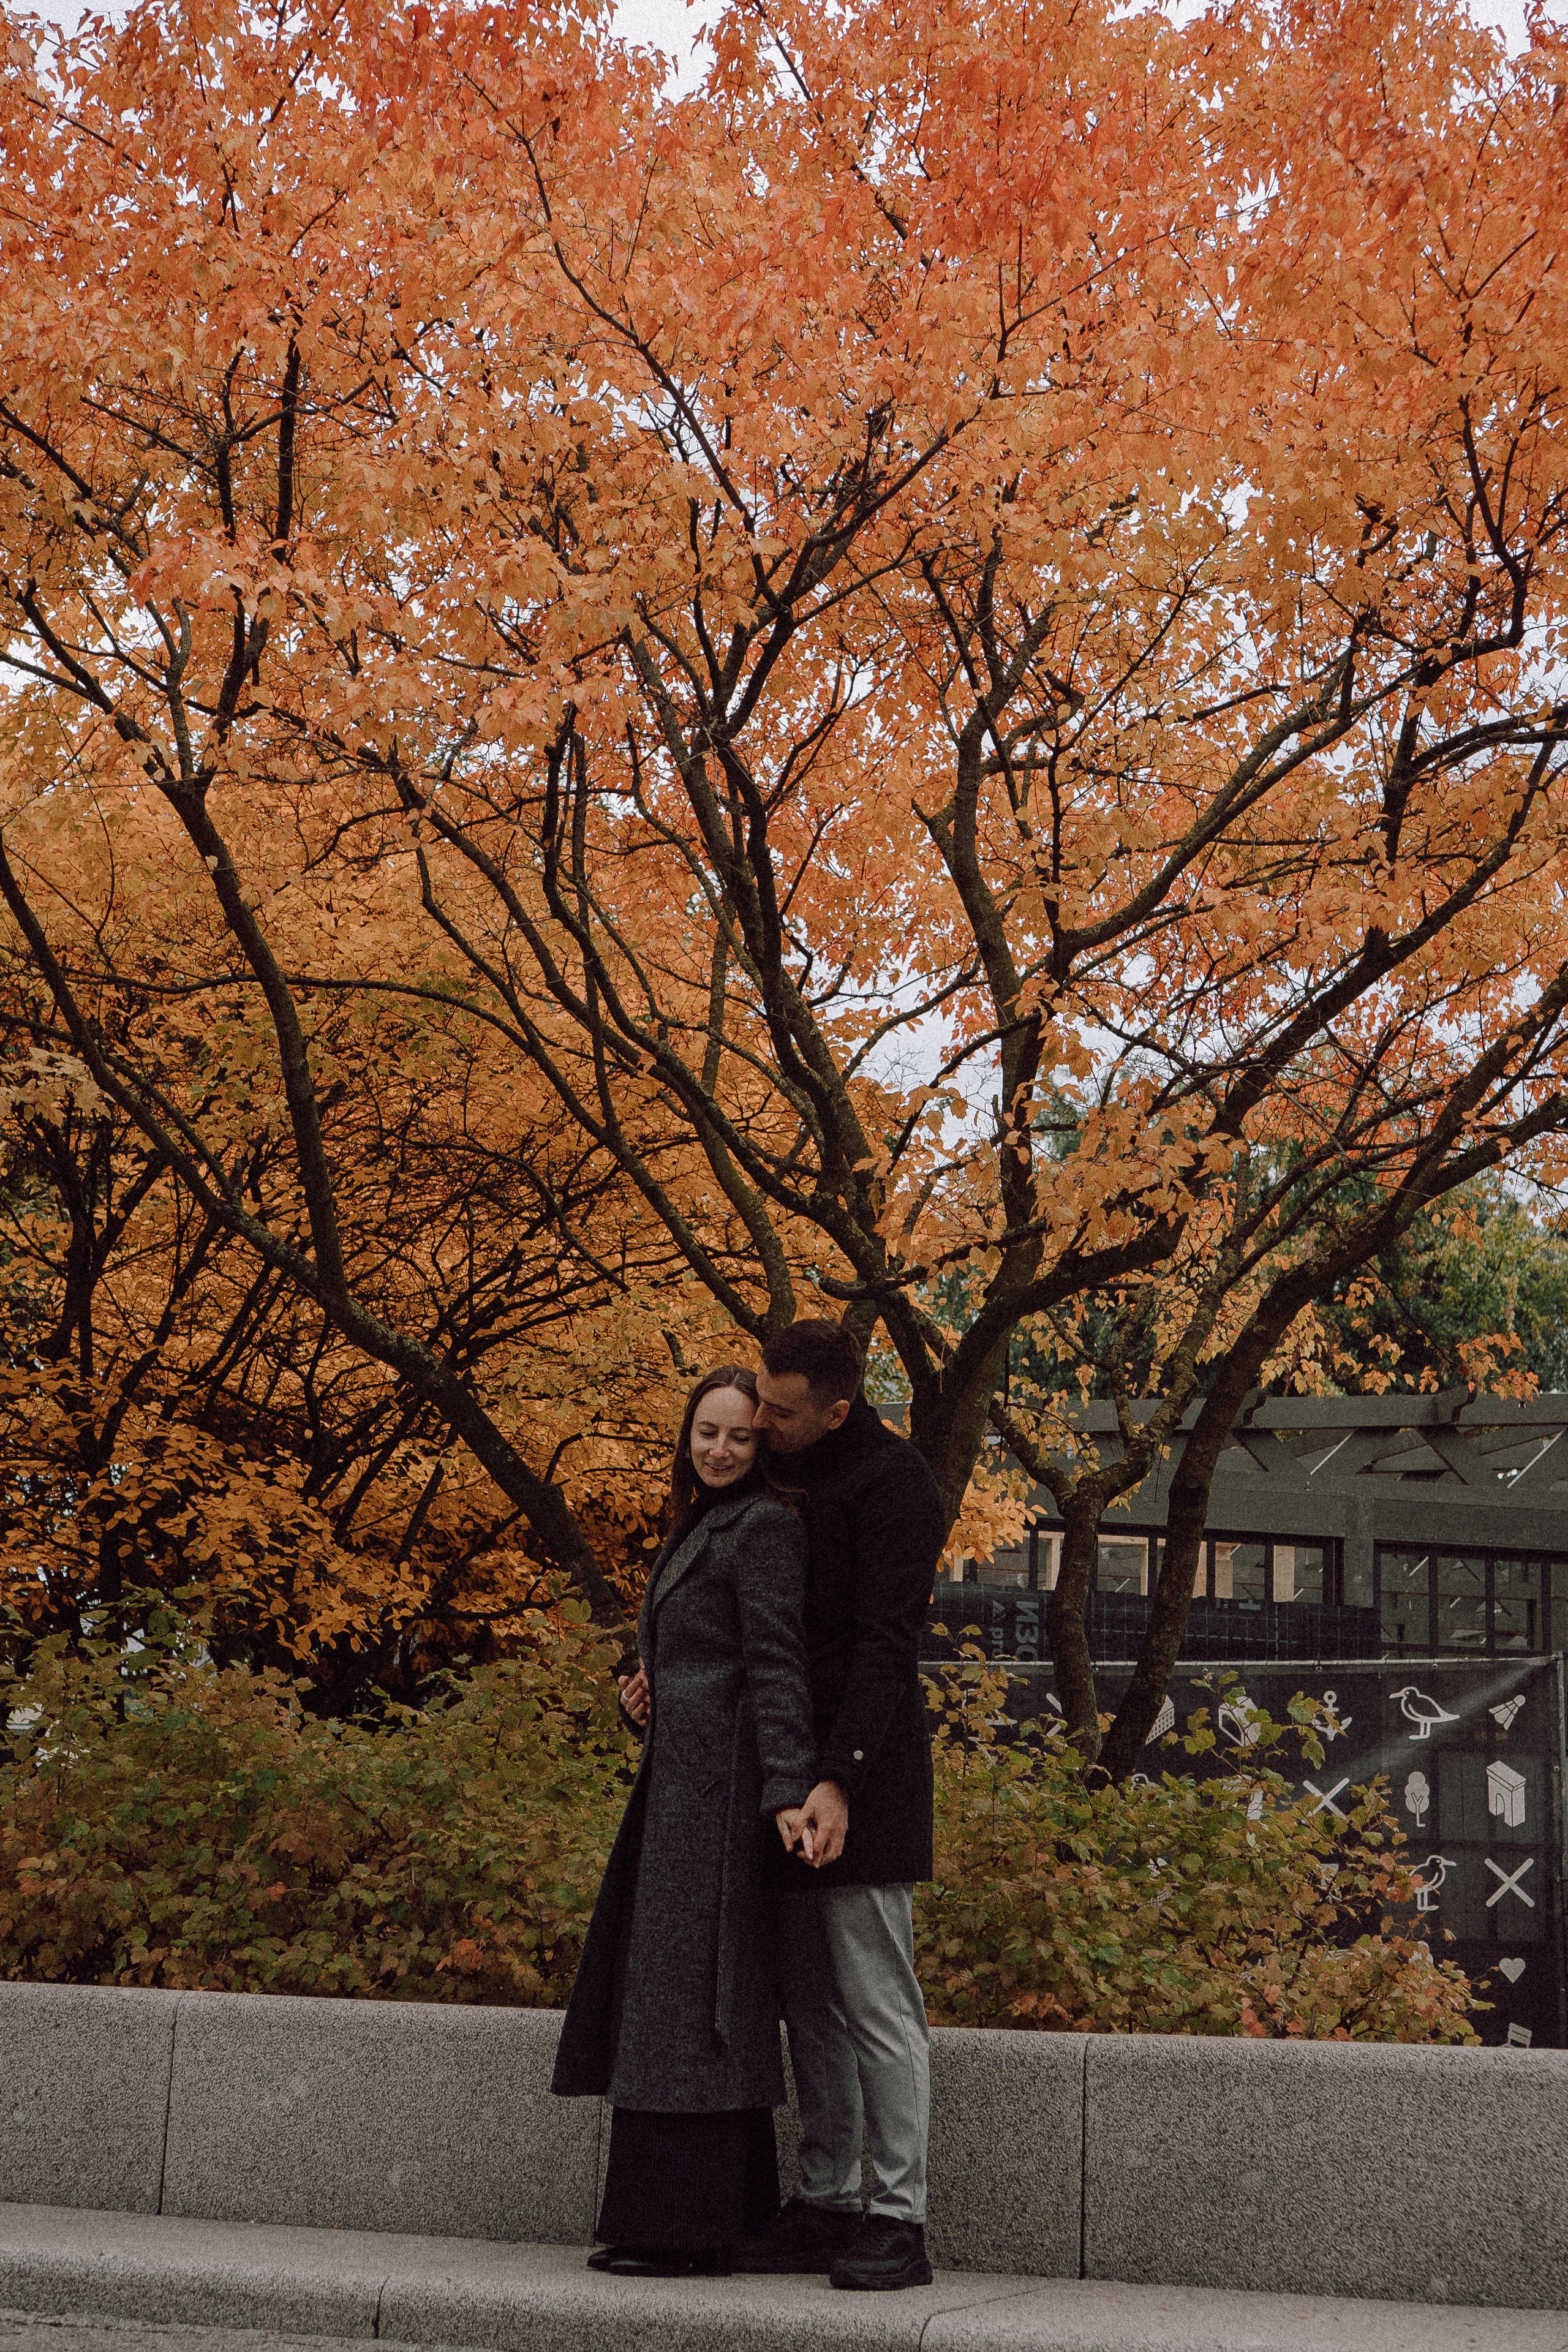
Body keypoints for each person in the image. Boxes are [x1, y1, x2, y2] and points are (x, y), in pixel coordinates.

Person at [549, 1365, 820, 2277]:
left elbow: (780, 1667)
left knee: (698, 2005)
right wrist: (644, 1699)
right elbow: (694, 1664)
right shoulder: (697, 1526)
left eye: (741, 1436)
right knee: (676, 2002)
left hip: (726, 1800)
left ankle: (685, 2231)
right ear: (687, 1435)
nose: (720, 1449)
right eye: (708, 1432)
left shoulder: (766, 1529)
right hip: (678, 1793)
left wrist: (786, 1787)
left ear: (763, 1444)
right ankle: (708, 2219)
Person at [737, 1318, 947, 2294]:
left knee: (875, 2001)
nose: (762, 1422)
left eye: (781, 1412)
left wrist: (840, 1778)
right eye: (761, 1404)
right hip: (783, 1776)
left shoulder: (895, 1484)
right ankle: (826, 2199)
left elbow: (885, 1642)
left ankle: (898, 2219)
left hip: (864, 1780)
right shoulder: (779, 1467)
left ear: (838, 1407)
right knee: (809, 2006)